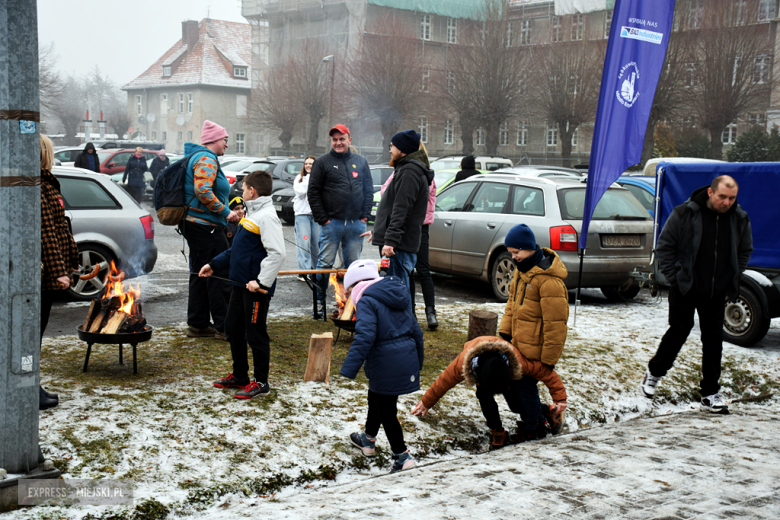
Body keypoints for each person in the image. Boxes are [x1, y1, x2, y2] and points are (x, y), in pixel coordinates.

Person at [641, 175, 752, 414]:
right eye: (722, 197)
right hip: (686, 286)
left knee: (714, 340)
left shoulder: (739, 218)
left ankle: (710, 393)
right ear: (711, 193)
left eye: (732, 198)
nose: (727, 203)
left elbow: (745, 250)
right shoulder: (685, 213)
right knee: (679, 330)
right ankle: (654, 372)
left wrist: (733, 274)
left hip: (716, 290)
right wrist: (676, 278)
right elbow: (665, 247)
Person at [202, 171, 285, 399]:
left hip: (255, 288)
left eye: (244, 187)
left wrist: (260, 282)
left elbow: (277, 253)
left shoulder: (267, 216)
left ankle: (261, 382)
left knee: (255, 333)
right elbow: (236, 250)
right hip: (239, 284)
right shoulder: (251, 214)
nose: (241, 191)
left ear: (252, 191)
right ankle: (240, 376)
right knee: (232, 328)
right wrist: (214, 265)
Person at [339, 259, 424, 473]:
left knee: (386, 411)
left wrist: (349, 368)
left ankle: (402, 456)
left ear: (356, 285)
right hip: (402, 360)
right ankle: (368, 440)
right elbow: (417, 332)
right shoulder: (398, 295)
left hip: (386, 363)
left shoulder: (367, 301)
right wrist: (417, 363)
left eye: (349, 291)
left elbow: (365, 337)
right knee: (375, 397)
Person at [411, 336, 568, 450]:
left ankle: (548, 411)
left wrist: (560, 398)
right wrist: (426, 402)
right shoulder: (464, 362)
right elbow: (444, 381)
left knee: (515, 405)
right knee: (484, 397)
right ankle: (497, 430)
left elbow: (547, 373)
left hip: (505, 372)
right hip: (485, 374)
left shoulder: (517, 361)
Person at [496, 224, 569, 440]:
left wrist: (548, 360)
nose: (514, 257)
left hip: (536, 351)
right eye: (511, 253)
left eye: (516, 253)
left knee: (524, 389)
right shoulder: (521, 272)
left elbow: (556, 324)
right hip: (519, 346)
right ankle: (545, 414)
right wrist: (505, 335)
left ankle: (531, 430)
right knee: (513, 393)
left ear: (529, 249)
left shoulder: (548, 282)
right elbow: (512, 306)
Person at [307, 124, 373, 317]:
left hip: (355, 224)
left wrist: (364, 216)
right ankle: (319, 304)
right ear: (331, 141)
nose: (338, 142)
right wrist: (323, 219)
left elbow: (369, 190)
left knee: (353, 266)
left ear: (349, 140)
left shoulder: (360, 161)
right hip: (331, 223)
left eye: (341, 139)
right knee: (324, 265)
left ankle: (349, 305)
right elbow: (313, 192)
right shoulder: (322, 162)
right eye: (334, 139)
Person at [183, 120, 241, 339]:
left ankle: (198, 323)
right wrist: (226, 212)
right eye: (225, 140)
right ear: (214, 140)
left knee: (200, 271)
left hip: (195, 224)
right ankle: (224, 326)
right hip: (205, 226)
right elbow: (203, 190)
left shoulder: (197, 157)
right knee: (219, 271)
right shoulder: (206, 158)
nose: (227, 144)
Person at [40, 134, 79, 410]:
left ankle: (30, 383)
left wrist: (71, 260)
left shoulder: (45, 183)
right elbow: (46, 232)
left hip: (46, 271)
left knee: (34, 332)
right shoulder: (39, 186)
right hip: (41, 275)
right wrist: (57, 272)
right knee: (32, 332)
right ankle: (26, 385)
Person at [368, 130, 433, 289]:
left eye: (392, 146)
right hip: (398, 245)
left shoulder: (410, 171)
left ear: (402, 149)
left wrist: (390, 241)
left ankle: (405, 315)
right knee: (397, 292)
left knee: (396, 293)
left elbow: (402, 209)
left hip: (399, 247)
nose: (390, 150)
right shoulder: (407, 169)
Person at [293, 155, 319, 281]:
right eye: (306, 163)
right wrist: (310, 178)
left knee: (316, 243)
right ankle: (303, 271)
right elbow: (301, 191)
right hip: (302, 215)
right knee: (304, 243)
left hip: (315, 215)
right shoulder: (300, 178)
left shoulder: (320, 178)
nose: (308, 165)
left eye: (311, 164)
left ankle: (315, 270)